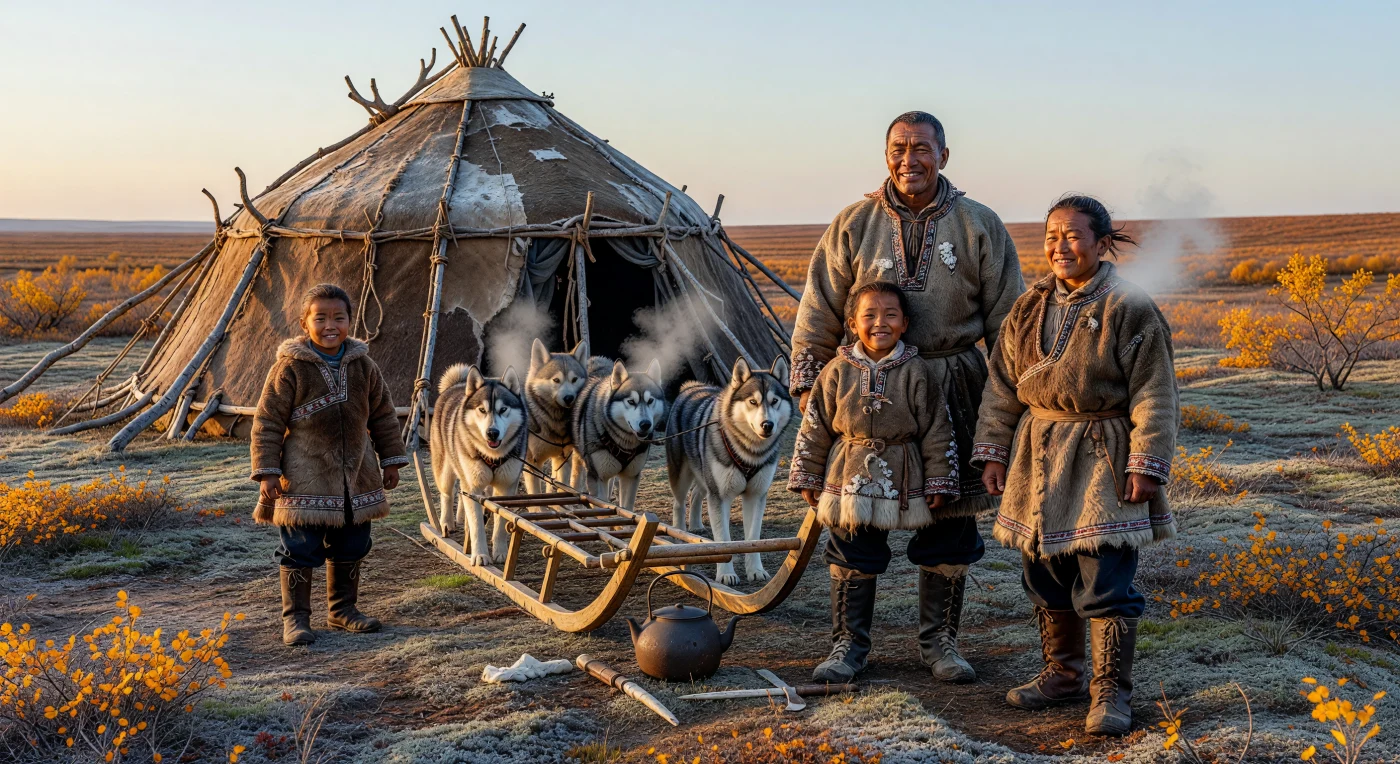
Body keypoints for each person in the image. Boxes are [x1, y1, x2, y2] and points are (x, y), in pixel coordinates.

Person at [789, 110, 1024, 683]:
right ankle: (848, 645)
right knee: (851, 519)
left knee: (949, 521)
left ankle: (940, 644)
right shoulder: (854, 223)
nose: (909, 159)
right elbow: (819, 307)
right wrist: (809, 385)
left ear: (944, 156)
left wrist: (1009, 409)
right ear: (885, 154)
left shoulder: (979, 225)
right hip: (864, 390)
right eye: (898, 148)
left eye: (922, 148)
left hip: (955, 386)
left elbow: (1010, 326)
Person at [972, 195, 1179, 735]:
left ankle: (1111, 693)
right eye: (1051, 235)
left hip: (1102, 453)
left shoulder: (1129, 305)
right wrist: (992, 450)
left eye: (1072, 234)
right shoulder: (1027, 307)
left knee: (1105, 575)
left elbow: (1155, 393)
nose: (1059, 246)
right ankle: (1062, 674)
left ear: (1100, 241)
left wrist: (1146, 462)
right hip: (1035, 451)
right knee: (1043, 572)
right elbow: (1001, 387)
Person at [789, 281, 960, 682]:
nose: (879, 323)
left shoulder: (918, 371)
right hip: (848, 473)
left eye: (890, 316)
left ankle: (939, 645)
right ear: (852, 323)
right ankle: (848, 647)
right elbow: (814, 427)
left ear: (905, 324)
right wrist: (808, 475)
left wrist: (940, 480)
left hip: (906, 469)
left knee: (945, 544)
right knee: (851, 552)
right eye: (869, 315)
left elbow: (938, 427)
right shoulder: (836, 370)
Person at [250, 283, 409, 646]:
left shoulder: (364, 366)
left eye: (339, 317)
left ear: (351, 321)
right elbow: (268, 421)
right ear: (305, 323)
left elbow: (383, 416)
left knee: (353, 543)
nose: (330, 325)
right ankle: (296, 620)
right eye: (320, 318)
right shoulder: (290, 368)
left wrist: (391, 461)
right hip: (304, 474)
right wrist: (268, 470)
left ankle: (342, 610)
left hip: (356, 473)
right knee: (299, 547)